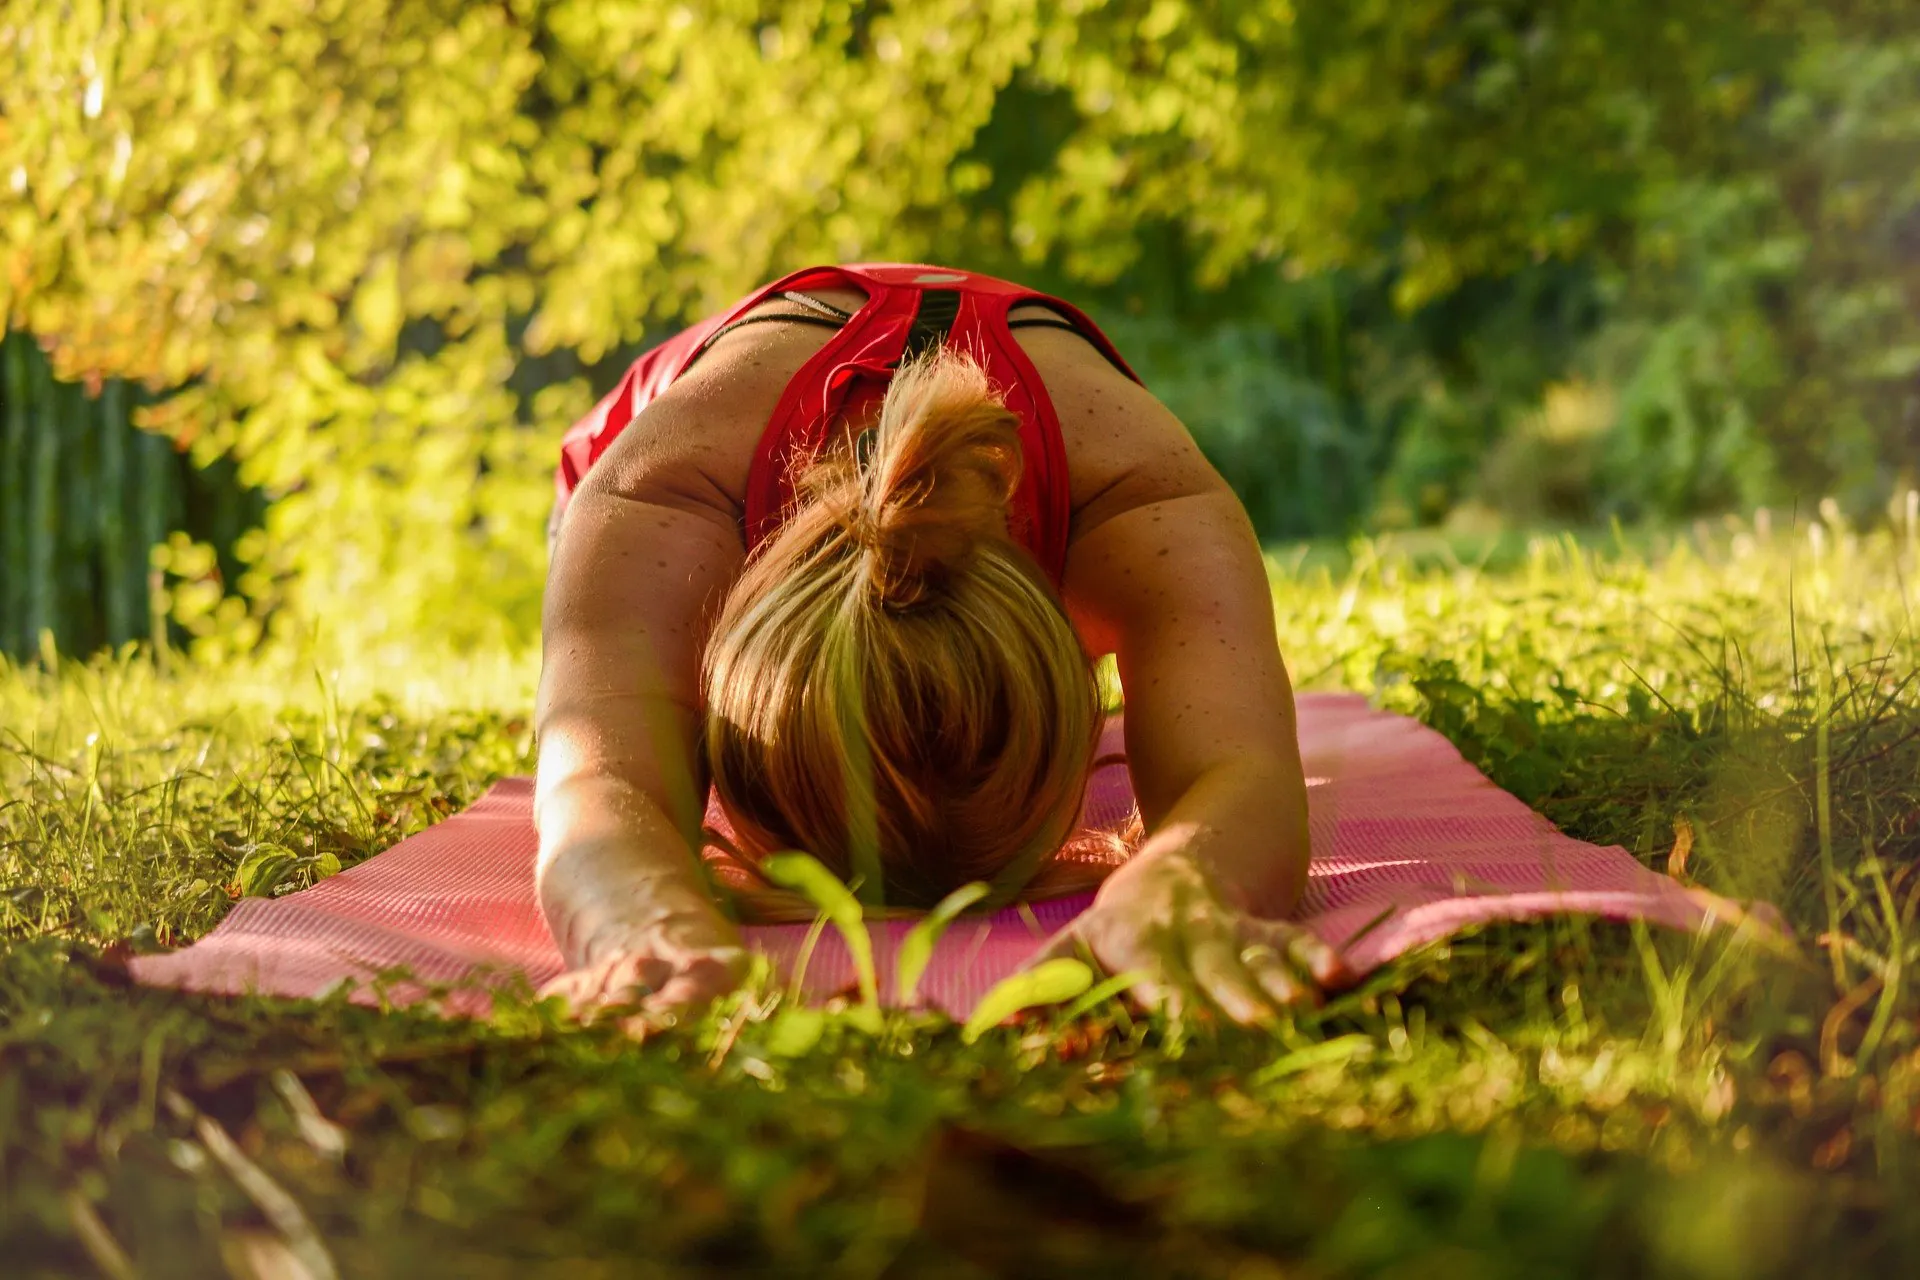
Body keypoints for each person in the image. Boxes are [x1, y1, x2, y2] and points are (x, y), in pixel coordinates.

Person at [535, 263, 1344, 1026]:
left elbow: (1242, 774)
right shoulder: (661, 494)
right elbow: (596, 784)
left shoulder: (1141, 498)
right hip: (677, 441)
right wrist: (641, 921)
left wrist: (1185, 886)